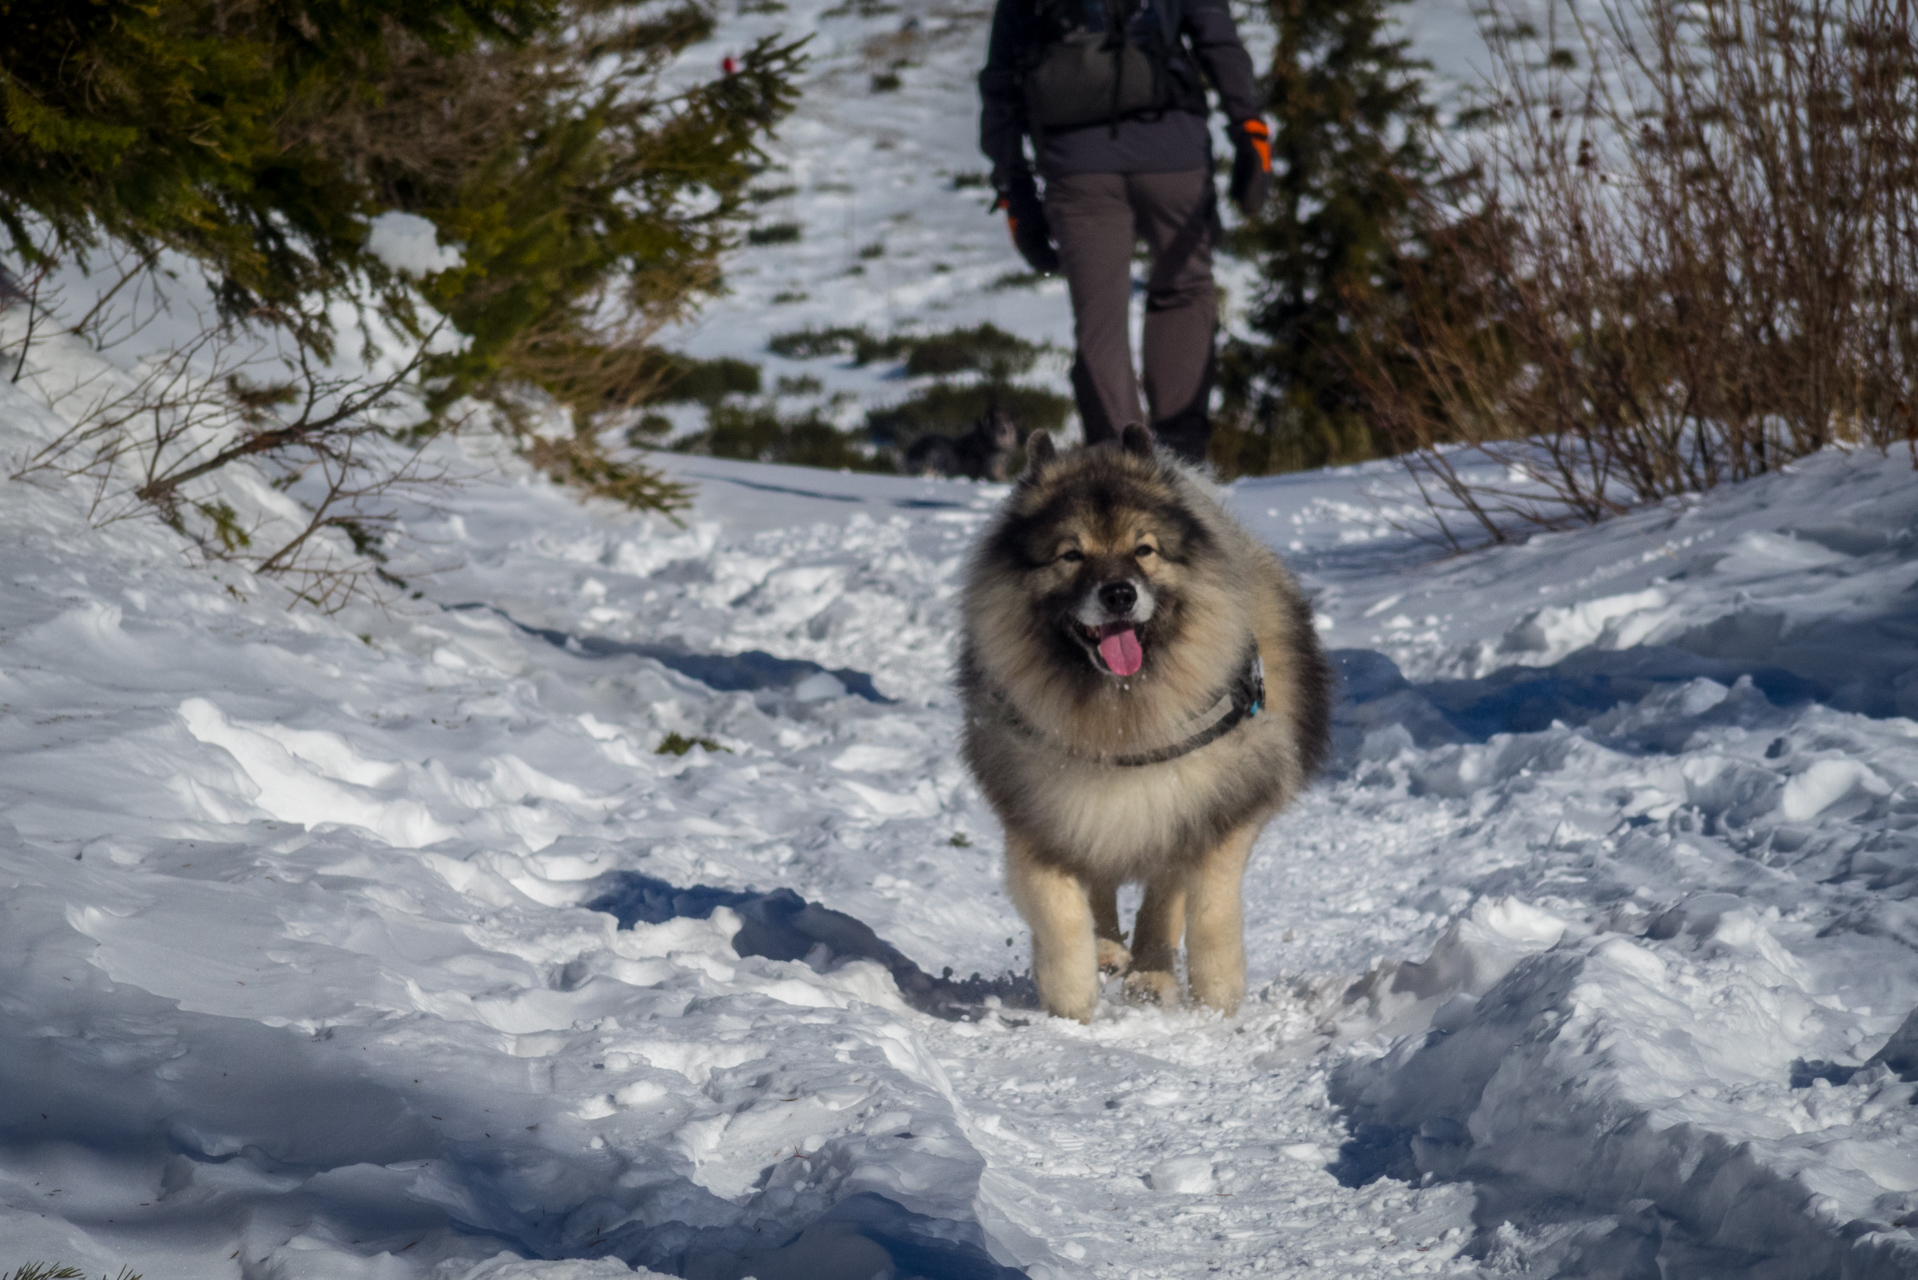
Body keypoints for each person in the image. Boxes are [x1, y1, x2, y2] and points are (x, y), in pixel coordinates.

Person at [978, 0, 1271, 464]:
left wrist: (1015, 192)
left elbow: (1001, 82)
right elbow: (1217, 39)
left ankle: (1123, 461)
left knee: (1099, 318)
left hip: (1075, 161)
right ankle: (1182, 454)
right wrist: (1249, 127)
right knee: (1185, 289)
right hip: (1173, 149)